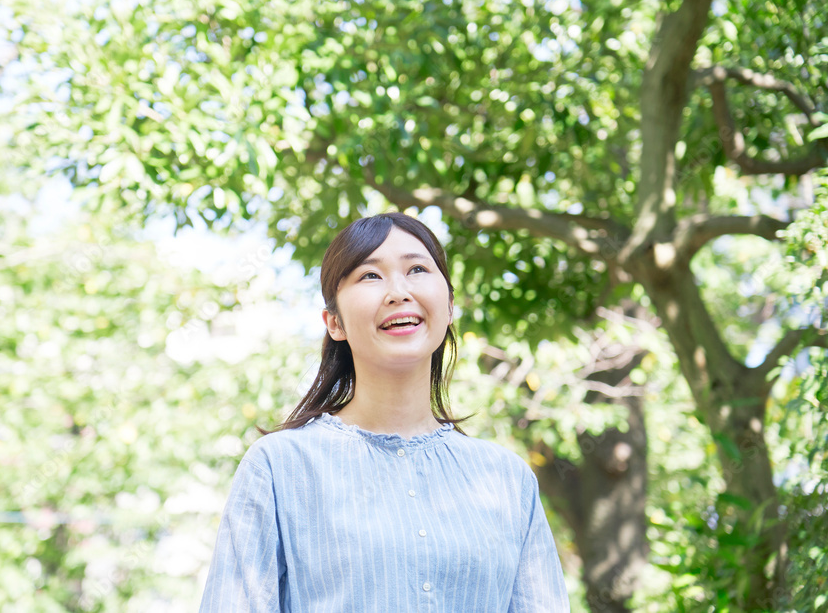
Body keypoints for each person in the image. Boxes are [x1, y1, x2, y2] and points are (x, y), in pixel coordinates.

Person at [199, 212, 569, 612]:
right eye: (370, 276)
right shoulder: (279, 467)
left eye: (417, 269)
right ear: (334, 322)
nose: (398, 291)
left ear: (449, 307)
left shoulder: (506, 478)